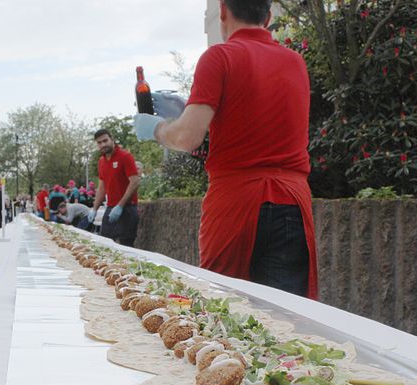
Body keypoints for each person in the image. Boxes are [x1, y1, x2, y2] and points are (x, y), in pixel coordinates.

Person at [132, 0, 317, 299]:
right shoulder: (296, 62)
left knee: (225, 311)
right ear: (268, 17)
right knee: (288, 318)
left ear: (222, 11)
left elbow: (186, 138)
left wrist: (156, 127)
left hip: (236, 203)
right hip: (291, 201)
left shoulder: (219, 56)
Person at [88, 129, 140, 247]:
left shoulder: (125, 156)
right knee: (106, 244)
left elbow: (135, 182)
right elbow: (102, 187)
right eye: (99, 142)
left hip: (127, 208)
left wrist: (120, 206)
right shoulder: (101, 161)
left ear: (112, 139)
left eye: (105, 140)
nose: (103, 144)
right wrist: (94, 209)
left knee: (126, 246)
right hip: (111, 208)